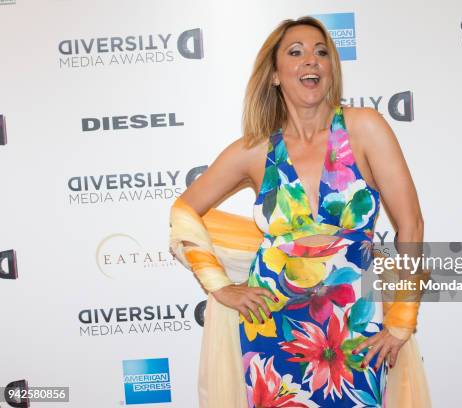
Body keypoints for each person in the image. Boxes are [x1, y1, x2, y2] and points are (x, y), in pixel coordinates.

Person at [169, 16, 430, 407]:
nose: (311, 60)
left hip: (354, 323)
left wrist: (401, 321)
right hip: (272, 326)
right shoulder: (255, 150)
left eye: (321, 52)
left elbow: (410, 222)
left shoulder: (365, 127)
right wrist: (220, 286)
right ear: (275, 75)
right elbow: (183, 210)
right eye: (296, 52)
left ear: (330, 69)